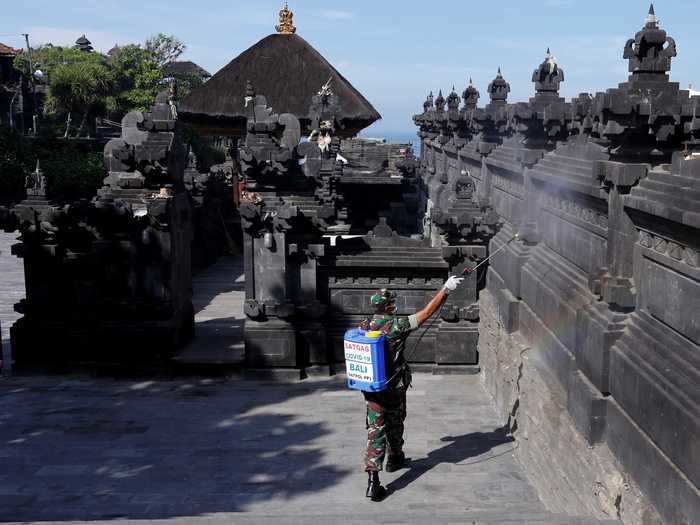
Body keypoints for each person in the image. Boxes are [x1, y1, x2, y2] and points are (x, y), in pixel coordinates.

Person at [360, 275, 464, 501]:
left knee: (375, 430)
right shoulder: (396, 325)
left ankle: (373, 481)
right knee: (395, 420)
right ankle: (395, 457)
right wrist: (445, 289)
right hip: (394, 387)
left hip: (372, 387)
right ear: (389, 306)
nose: (395, 305)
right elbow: (426, 314)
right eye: (392, 303)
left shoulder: (364, 325)